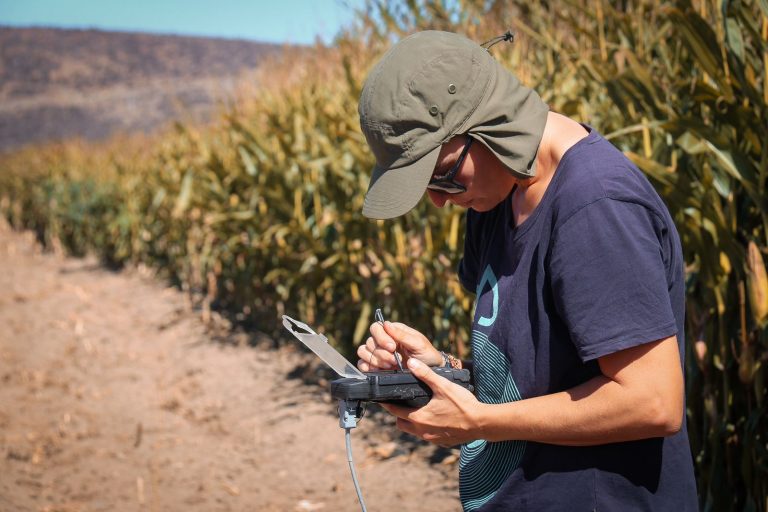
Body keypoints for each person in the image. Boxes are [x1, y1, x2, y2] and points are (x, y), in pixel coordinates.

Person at [354, 30, 698, 511]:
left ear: (488, 123)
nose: (437, 200)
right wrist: (441, 372)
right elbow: (532, 379)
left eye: (444, 175)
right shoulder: (495, 197)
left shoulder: (594, 206)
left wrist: (478, 423)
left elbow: (651, 401)